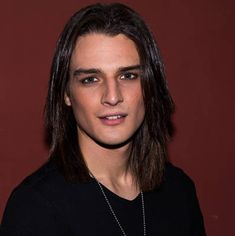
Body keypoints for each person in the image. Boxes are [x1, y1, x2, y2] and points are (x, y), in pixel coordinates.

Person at [1, 3, 206, 236]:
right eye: (90, 79)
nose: (112, 96)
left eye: (128, 76)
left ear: (150, 85)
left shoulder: (179, 191)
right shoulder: (36, 209)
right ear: (66, 93)